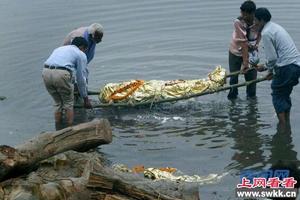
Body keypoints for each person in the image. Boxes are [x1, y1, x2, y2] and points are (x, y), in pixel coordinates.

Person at [254, 7, 300, 127]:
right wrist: (269, 69)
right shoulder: (275, 27)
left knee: (277, 95)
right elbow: (277, 56)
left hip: (286, 67)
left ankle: (283, 128)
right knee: (284, 94)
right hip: (295, 66)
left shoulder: (266, 33)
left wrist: (268, 69)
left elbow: (273, 58)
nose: (254, 23)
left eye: (256, 20)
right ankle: (287, 123)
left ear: (262, 20)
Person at [42, 37, 92, 127]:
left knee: (58, 104)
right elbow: (81, 78)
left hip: (45, 72)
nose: (85, 52)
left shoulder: (59, 49)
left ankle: (58, 130)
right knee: (68, 104)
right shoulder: (80, 54)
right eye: (85, 50)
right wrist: (85, 98)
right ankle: (69, 132)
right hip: (61, 73)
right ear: (82, 47)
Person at [63, 23, 104, 103]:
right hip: (69, 63)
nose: (100, 40)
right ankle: (76, 100)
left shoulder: (92, 35)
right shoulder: (79, 37)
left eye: (101, 37)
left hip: (81, 61)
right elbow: (73, 54)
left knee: (84, 79)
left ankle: (83, 97)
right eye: (98, 38)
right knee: (75, 80)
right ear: (92, 35)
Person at [228, 0, 260, 99]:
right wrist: (245, 64)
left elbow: (260, 33)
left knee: (251, 80)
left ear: (253, 13)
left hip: (251, 52)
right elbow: (243, 43)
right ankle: (232, 98)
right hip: (236, 52)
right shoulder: (238, 22)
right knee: (234, 78)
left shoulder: (258, 20)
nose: (244, 17)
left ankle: (251, 101)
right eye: (243, 14)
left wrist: (257, 44)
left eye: (246, 15)